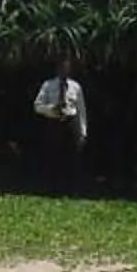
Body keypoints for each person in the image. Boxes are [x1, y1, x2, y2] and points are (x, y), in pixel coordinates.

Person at [31, 57, 89, 187]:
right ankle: (51, 186)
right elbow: (37, 105)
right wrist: (51, 109)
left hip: (70, 122)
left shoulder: (75, 87)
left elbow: (81, 110)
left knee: (71, 155)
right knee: (52, 155)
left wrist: (83, 132)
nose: (65, 70)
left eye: (67, 68)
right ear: (57, 69)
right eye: (62, 67)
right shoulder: (48, 85)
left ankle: (69, 186)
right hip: (54, 122)